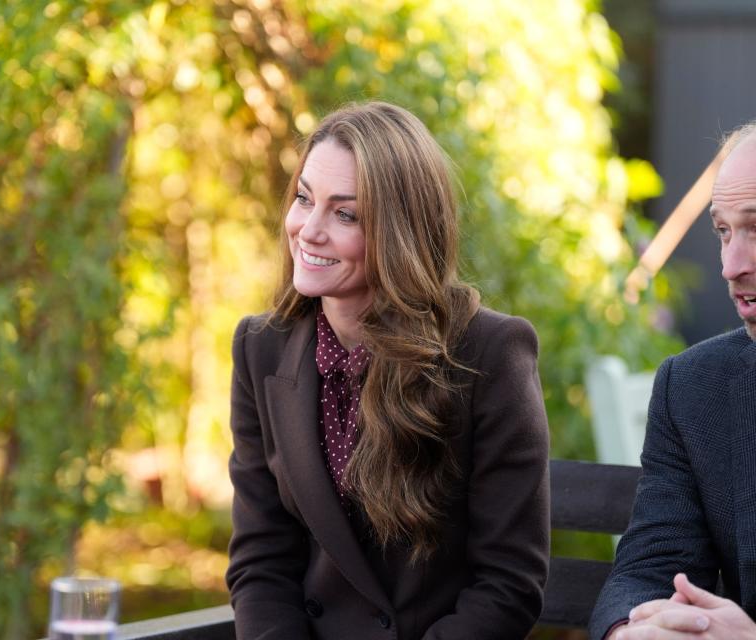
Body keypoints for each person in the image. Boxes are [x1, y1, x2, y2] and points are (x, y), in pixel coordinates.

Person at [224, 101, 550, 640]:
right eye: (305, 199)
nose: (308, 230)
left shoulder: (490, 352)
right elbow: (262, 561)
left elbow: (508, 585)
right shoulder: (261, 348)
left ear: (400, 232)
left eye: (345, 213)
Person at [589, 120, 756, 640]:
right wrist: (634, 631)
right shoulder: (693, 388)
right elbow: (650, 569)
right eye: (723, 231)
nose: (732, 265)